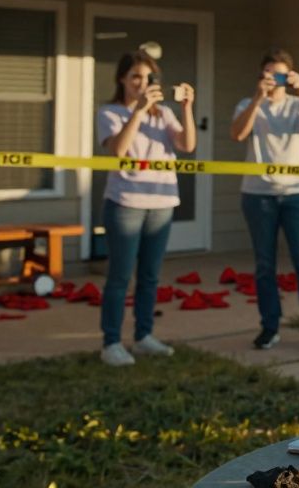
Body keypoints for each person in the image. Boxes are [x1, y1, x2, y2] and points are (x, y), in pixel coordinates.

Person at [231, 48, 299, 354]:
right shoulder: (247, 103)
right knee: (265, 265)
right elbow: (238, 134)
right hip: (258, 194)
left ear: (289, 76)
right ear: (261, 76)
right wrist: (257, 98)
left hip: (296, 194)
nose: (274, 80)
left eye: (280, 74)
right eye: (269, 74)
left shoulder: (296, 105)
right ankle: (270, 326)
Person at [96, 49, 197, 366]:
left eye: (148, 77)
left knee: (150, 276)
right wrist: (138, 112)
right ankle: (111, 342)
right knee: (120, 276)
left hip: (162, 202)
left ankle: (143, 336)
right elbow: (119, 151)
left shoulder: (164, 113)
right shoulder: (110, 112)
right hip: (125, 204)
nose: (141, 83)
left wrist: (187, 108)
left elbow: (187, 145)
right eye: (135, 77)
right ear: (122, 80)